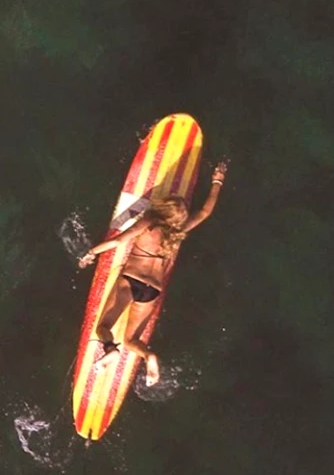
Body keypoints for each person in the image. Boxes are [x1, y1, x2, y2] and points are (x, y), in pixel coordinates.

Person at [78, 161, 228, 387]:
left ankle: (110, 350)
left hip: (131, 281)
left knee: (104, 327)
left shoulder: (149, 222)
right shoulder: (178, 231)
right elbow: (205, 212)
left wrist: (91, 253)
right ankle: (149, 356)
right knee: (131, 340)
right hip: (152, 290)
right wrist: (217, 182)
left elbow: (119, 241)